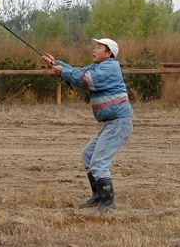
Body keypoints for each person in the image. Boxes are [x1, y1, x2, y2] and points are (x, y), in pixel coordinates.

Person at [41, 38, 133, 213]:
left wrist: (62, 72)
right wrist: (56, 64)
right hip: (111, 123)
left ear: (109, 53)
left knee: (98, 163)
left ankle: (108, 203)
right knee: (88, 156)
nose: (94, 50)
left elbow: (85, 80)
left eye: (99, 47)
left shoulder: (109, 68)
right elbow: (78, 71)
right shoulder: (99, 67)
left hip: (119, 123)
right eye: (95, 47)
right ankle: (98, 195)